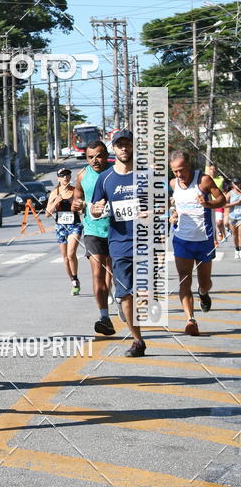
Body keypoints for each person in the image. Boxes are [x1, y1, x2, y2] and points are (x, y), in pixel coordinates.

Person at [91, 130, 146, 357]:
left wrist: (153, 212)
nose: (124, 148)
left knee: (144, 293)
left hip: (146, 242)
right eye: (119, 145)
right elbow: (95, 209)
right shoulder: (105, 178)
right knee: (125, 294)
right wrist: (95, 210)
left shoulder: (147, 175)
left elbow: (165, 203)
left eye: (127, 144)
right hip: (119, 243)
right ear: (113, 148)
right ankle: (137, 340)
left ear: (134, 146)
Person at [169, 150, 226, 335]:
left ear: (189, 165)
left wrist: (208, 204)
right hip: (181, 240)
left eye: (181, 170)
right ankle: (190, 320)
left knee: (204, 282)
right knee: (184, 280)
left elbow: (222, 200)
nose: (179, 174)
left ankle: (203, 292)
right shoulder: (173, 184)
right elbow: (173, 205)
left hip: (204, 240)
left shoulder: (204, 180)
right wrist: (172, 215)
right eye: (175, 171)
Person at [73, 140, 114, 334]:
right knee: (97, 272)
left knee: (115, 273)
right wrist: (77, 204)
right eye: (90, 157)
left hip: (117, 229)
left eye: (99, 156)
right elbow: (77, 196)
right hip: (92, 230)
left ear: (106, 155)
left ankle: (121, 300)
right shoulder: (82, 175)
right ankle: (104, 317)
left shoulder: (117, 172)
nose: (94, 160)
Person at [46, 168, 83, 295]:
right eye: (62, 176)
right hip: (61, 226)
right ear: (58, 178)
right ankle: (73, 280)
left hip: (74, 225)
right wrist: (55, 202)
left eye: (67, 175)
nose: (65, 177)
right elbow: (47, 213)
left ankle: (75, 277)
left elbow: (82, 209)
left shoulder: (75, 190)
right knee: (65, 257)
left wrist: (76, 204)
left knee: (71, 253)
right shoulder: (55, 192)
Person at [206, 163, 226, 246]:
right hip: (209, 203)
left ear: (216, 170)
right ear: (209, 170)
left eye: (214, 169)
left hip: (218, 202)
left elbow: (225, 189)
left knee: (219, 222)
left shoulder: (221, 179)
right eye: (211, 169)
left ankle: (221, 232)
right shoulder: (206, 179)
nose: (213, 171)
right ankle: (214, 240)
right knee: (212, 222)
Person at [225, 178, 241, 259]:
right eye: (235, 183)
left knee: (240, 235)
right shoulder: (230, 194)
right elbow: (224, 205)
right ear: (232, 184)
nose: (237, 185)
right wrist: (236, 203)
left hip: (240, 217)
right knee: (235, 236)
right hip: (232, 217)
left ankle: (240, 250)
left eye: (238, 183)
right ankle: (236, 249)